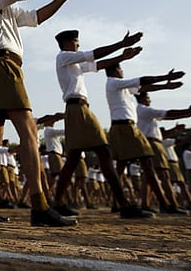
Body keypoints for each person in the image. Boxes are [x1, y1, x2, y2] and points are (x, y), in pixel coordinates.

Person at [0, 0, 82, 227]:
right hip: (4, 66)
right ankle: (39, 205)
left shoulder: (3, 7)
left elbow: (36, 17)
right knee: (29, 131)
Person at [49, 29, 155, 219]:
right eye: (76, 42)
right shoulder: (64, 57)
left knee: (73, 158)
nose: (78, 45)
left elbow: (98, 64)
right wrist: (121, 45)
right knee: (103, 152)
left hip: (79, 109)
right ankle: (124, 205)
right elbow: (94, 54)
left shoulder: (74, 65)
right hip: (77, 109)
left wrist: (121, 56)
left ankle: (57, 203)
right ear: (67, 43)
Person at [103, 63, 187, 214]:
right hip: (125, 127)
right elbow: (143, 81)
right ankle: (163, 204)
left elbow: (144, 88)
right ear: (115, 70)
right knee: (147, 164)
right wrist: (166, 77)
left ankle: (118, 203)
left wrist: (165, 86)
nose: (122, 71)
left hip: (122, 127)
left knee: (122, 168)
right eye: (121, 69)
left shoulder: (123, 88)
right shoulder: (114, 82)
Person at [135, 91, 191, 212]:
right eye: (148, 98)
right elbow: (168, 113)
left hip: (149, 142)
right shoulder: (144, 110)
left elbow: (166, 126)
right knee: (163, 175)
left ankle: (146, 204)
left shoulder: (142, 112)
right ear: (143, 99)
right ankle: (171, 205)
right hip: (152, 143)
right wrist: (186, 112)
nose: (150, 100)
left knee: (148, 176)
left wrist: (179, 124)